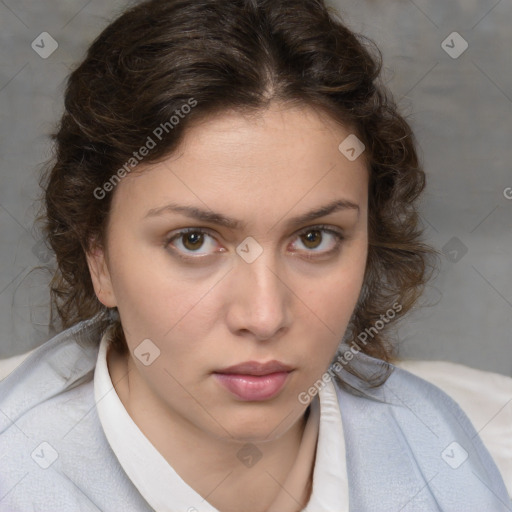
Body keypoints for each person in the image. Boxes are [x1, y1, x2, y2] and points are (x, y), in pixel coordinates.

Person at [0, 0, 510, 510]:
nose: (264, 316)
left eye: (315, 238)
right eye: (193, 240)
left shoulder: (440, 455)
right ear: (100, 260)